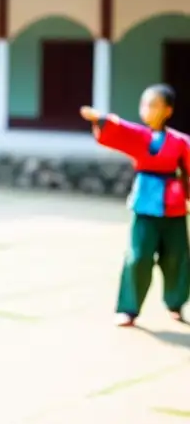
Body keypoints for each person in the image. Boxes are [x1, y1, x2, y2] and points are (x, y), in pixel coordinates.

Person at [80, 85, 190, 326]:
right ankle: (129, 308)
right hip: (144, 204)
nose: (146, 110)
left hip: (174, 206)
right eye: (144, 105)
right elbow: (123, 130)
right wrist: (101, 119)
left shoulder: (181, 142)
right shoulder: (141, 136)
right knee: (138, 257)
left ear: (168, 110)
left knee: (177, 257)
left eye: (153, 105)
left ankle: (176, 303)